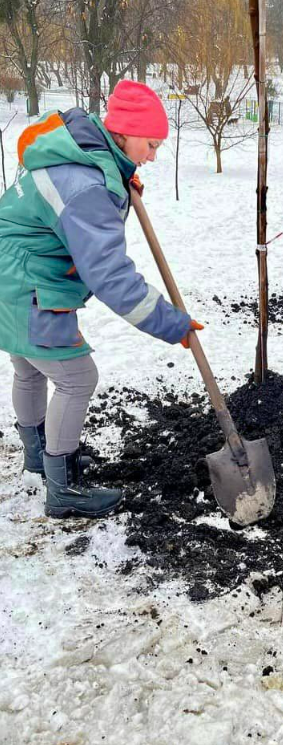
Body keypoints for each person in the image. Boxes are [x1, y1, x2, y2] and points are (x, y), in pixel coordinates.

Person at [0, 80, 203, 519]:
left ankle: (44, 459)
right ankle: (64, 489)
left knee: (28, 367)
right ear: (125, 133)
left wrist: (122, 174)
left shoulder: (83, 147)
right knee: (77, 377)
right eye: (150, 144)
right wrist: (172, 324)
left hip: (9, 271)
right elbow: (111, 278)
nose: (152, 156)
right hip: (25, 282)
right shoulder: (88, 188)